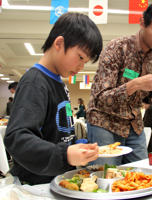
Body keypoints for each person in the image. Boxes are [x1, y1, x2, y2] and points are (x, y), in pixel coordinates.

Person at [4, 12, 103, 185]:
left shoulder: (60, 84)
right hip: (33, 184)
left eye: (85, 62)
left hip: (56, 181)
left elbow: (60, 130)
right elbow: (17, 138)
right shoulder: (35, 82)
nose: (81, 66)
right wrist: (64, 155)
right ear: (59, 43)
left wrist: (77, 144)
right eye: (80, 57)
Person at [86, 1, 152, 166]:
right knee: (106, 177)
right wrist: (134, 85)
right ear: (142, 23)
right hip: (105, 122)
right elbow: (101, 99)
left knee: (141, 176)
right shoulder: (117, 48)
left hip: (134, 125)